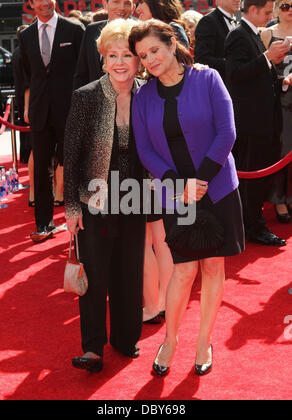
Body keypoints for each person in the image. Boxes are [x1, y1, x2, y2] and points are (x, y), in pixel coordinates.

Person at [129, 19, 245, 376]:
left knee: (213, 266)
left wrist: (201, 180)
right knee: (182, 271)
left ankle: (203, 340)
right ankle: (170, 339)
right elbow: (145, 150)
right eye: (142, 56)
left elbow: (227, 132)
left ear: (173, 44)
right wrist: (179, 185)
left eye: (154, 50)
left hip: (218, 189)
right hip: (174, 196)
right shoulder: (143, 96)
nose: (149, 60)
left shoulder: (208, 79)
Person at [65, 19, 146, 373]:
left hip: (136, 195)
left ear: (139, 59)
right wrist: (70, 208)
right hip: (95, 197)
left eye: (127, 54)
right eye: (112, 54)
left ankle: (126, 339)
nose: (119, 62)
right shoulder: (87, 96)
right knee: (95, 274)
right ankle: (93, 348)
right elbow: (70, 156)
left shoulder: (149, 94)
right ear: (102, 58)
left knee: (129, 271)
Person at [225, 0, 292, 246]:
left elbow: (258, 75)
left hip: (263, 119)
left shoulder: (250, 34)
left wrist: (281, 78)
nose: (269, 17)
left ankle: (252, 224)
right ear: (252, 10)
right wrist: (267, 56)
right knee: (253, 177)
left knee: (258, 177)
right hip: (252, 122)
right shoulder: (238, 35)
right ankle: (253, 226)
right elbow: (236, 75)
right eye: (266, 12)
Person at [20, 0, 84, 243]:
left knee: (74, 167)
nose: (45, 3)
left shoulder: (75, 29)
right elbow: (29, 75)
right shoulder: (25, 36)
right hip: (40, 112)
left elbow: (83, 70)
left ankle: (80, 222)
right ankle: (43, 224)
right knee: (42, 171)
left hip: (70, 110)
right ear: (32, 3)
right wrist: (27, 106)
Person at [261, 0, 292, 222]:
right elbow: (262, 69)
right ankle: (280, 200)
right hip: (280, 101)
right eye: (284, 6)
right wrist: (284, 80)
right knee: (284, 149)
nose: (289, 10)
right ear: (275, 9)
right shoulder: (266, 34)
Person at [74, 0, 135, 89]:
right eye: (116, 2)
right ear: (105, 4)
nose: (122, 8)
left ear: (133, 7)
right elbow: (81, 73)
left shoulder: (139, 32)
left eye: (127, 3)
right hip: (94, 100)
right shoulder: (92, 30)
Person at [12, 25, 35, 206]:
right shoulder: (25, 53)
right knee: (36, 146)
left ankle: (34, 193)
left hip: (25, 97)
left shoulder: (17, 52)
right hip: (31, 99)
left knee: (30, 142)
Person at [194, 0, 241, 80]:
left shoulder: (237, 22)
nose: (238, 0)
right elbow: (202, 59)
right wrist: (234, 64)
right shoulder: (208, 21)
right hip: (219, 83)